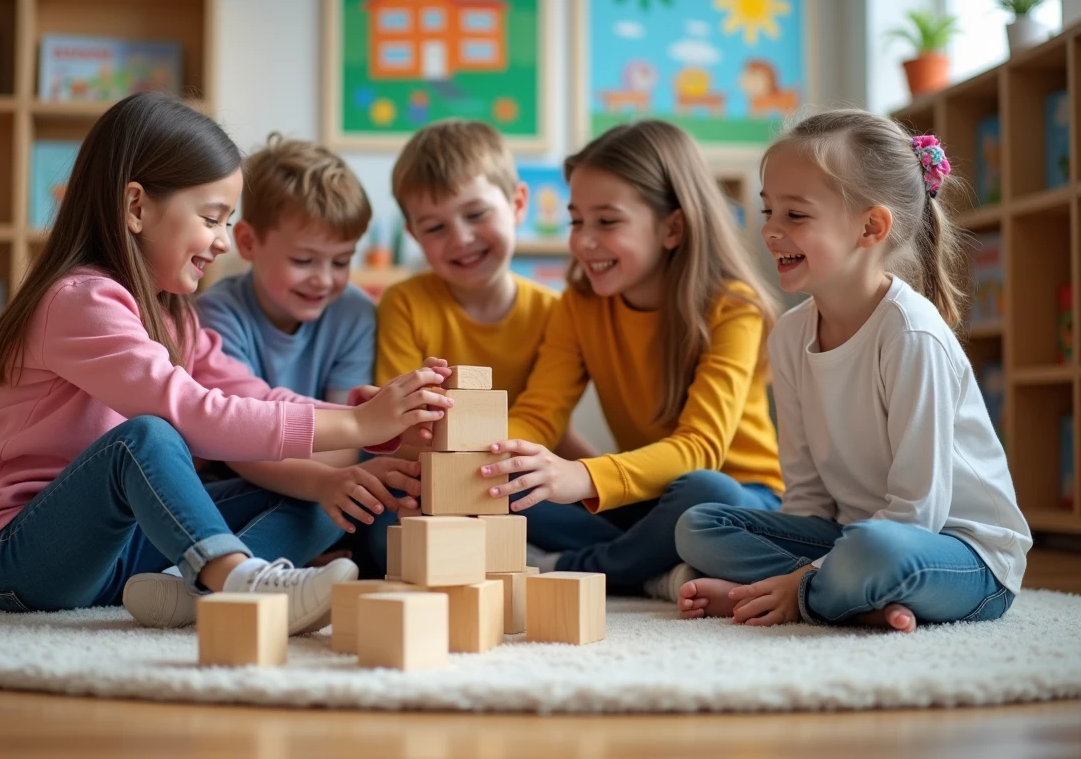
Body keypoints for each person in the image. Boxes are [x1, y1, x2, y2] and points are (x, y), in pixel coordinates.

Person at [0, 93, 451, 636]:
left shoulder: (175, 318)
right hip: (17, 559)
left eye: (228, 222)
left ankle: (189, 588)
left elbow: (252, 397)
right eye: (212, 219)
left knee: (324, 493)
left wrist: (368, 418)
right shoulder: (79, 301)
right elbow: (190, 413)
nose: (223, 242)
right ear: (136, 208)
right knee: (147, 438)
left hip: (116, 551)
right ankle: (239, 582)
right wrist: (352, 426)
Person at [675, 110, 1031, 631]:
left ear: (871, 227)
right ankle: (846, 598)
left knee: (875, 548)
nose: (770, 231)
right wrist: (820, 562)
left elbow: (919, 513)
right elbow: (807, 500)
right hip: (851, 540)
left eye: (795, 216)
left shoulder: (911, 334)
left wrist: (803, 579)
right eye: (768, 209)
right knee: (699, 525)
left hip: (964, 555)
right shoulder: (790, 336)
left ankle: (807, 593)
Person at [480, 120, 784, 600]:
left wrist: (579, 475)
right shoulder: (579, 306)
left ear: (672, 227)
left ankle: (575, 566)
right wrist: (485, 461)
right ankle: (647, 567)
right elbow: (540, 412)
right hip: (644, 499)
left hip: (740, 501)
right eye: (577, 219)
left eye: (607, 221)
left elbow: (699, 449)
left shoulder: (733, 307)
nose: (584, 240)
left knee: (705, 492)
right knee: (500, 492)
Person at [373, 119, 600, 570]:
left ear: (517, 204)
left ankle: (543, 553)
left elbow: (550, 424)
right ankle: (535, 555)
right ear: (414, 235)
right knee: (383, 535)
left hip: (511, 477)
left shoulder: (556, 311)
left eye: (476, 215)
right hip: (431, 476)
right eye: (435, 228)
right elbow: (396, 431)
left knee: (598, 514)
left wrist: (600, 477)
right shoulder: (404, 303)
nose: (461, 238)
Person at [193, 135, 419, 581]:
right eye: (304, 260)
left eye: (341, 261)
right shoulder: (214, 314)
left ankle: (285, 564)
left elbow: (349, 445)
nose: (323, 279)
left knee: (375, 512)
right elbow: (236, 445)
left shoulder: (354, 312)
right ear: (248, 242)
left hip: (321, 481)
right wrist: (325, 479)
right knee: (322, 505)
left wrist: (340, 476)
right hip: (234, 484)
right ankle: (203, 576)